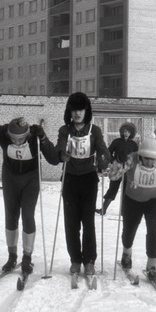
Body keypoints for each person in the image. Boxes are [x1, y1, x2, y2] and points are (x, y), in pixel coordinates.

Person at [0, 116, 56, 274]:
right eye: (13, 139)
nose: (17, 142)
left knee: (28, 215)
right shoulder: (2, 133)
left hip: (31, 178)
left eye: (21, 139)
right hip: (10, 178)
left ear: (27, 135)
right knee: (11, 216)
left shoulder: (34, 136)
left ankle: (27, 258)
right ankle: (12, 256)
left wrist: (43, 138)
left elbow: (53, 159)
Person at [50, 92, 110, 276]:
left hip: (88, 179)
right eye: (74, 110)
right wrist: (62, 154)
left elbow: (104, 151)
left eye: (81, 110)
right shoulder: (65, 130)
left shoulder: (94, 130)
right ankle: (75, 259)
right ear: (70, 111)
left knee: (88, 221)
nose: (77, 114)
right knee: (71, 222)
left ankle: (89, 260)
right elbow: (59, 147)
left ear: (86, 111)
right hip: (69, 179)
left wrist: (103, 160)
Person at [118, 137, 156, 280]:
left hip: (154, 200)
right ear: (140, 155)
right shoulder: (131, 159)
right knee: (129, 230)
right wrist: (119, 163)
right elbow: (114, 174)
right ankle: (126, 254)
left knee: (153, 231)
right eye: (146, 158)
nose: (150, 162)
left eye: (153, 159)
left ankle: (151, 266)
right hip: (132, 200)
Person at [97, 122, 137, 215]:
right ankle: (103, 209)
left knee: (126, 191)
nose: (126, 133)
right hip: (116, 169)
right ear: (122, 132)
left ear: (131, 133)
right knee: (112, 189)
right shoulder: (116, 141)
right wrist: (113, 160)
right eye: (124, 131)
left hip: (128, 170)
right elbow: (108, 152)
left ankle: (124, 211)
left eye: (128, 132)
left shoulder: (134, 144)